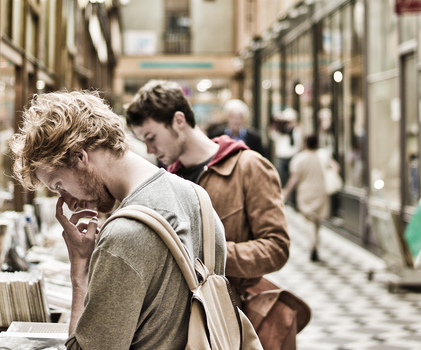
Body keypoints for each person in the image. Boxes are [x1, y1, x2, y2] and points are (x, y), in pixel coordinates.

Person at [9, 90, 226, 350]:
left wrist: (80, 270)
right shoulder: (198, 199)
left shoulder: (124, 235)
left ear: (81, 156)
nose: (67, 202)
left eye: (60, 185)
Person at [125, 80, 289, 300]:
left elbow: (276, 249)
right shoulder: (167, 180)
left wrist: (204, 254)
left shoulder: (248, 166)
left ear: (178, 120)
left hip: (227, 313)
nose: (149, 149)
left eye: (151, 137)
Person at [281, 134, 331, 262]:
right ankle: (316, 245)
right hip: (321, 190)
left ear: (305, 144)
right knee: (317, 221)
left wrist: (286, 192)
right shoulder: (322, 156)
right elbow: (335, 167)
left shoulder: (299, 159)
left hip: (306, 192)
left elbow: (294, 178)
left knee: (309, 220)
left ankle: (312, 246)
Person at [269, 108, 302, 188]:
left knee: (293, 180)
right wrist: (278, 124)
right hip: (281, 157)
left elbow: (299, 142)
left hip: (293, 157)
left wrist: (293, 128)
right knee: (281, 179)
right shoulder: (279, 131)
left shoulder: (296, 130)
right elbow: (272, 135)